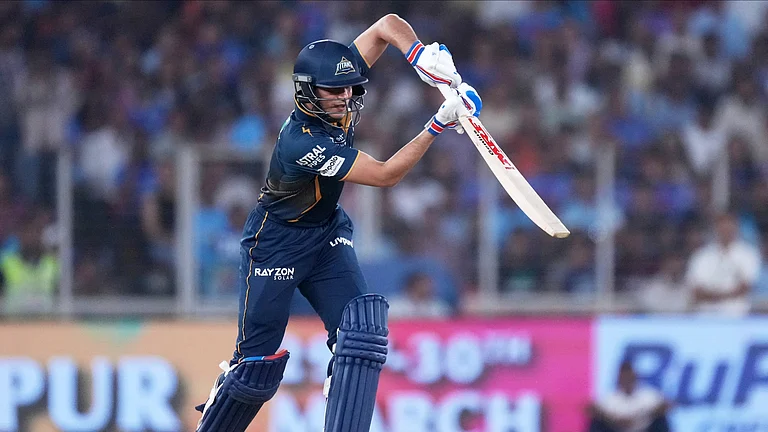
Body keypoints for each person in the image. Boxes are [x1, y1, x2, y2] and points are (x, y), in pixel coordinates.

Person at [194, 13, 481, 432]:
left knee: (360, 332)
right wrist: (438, 123)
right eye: (335, 90)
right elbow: (384, 175)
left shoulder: (334, 89)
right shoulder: (302, 142)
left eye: (351, 87)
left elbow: (386, 25)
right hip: (275, 243)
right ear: (308, 93)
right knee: (255, 369)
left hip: (326, 233)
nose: (346, 97)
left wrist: (419, 55)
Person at [685, 211, 761, 316]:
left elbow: (746, 287)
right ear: (715, 228)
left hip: (738, 317)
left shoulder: (748, 254)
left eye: (729, 227)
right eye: (722, 227)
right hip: (705, 317)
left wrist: (715, 297)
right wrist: (723, 297)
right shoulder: (701, 256)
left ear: (736, 228)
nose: (726, 231)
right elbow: (696, 290)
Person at [587, 361, 673, 432]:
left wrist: (644, 416)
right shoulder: (610, 398)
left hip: (644, 428)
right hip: (617, 429)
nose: (627, 379)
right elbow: (590, 408)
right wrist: (613, 420)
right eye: (624, 377)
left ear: (635, 377)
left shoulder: (648, 394)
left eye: (629, 376)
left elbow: (668, 405)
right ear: (619, 379)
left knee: (661, 420)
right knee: (596, 422)